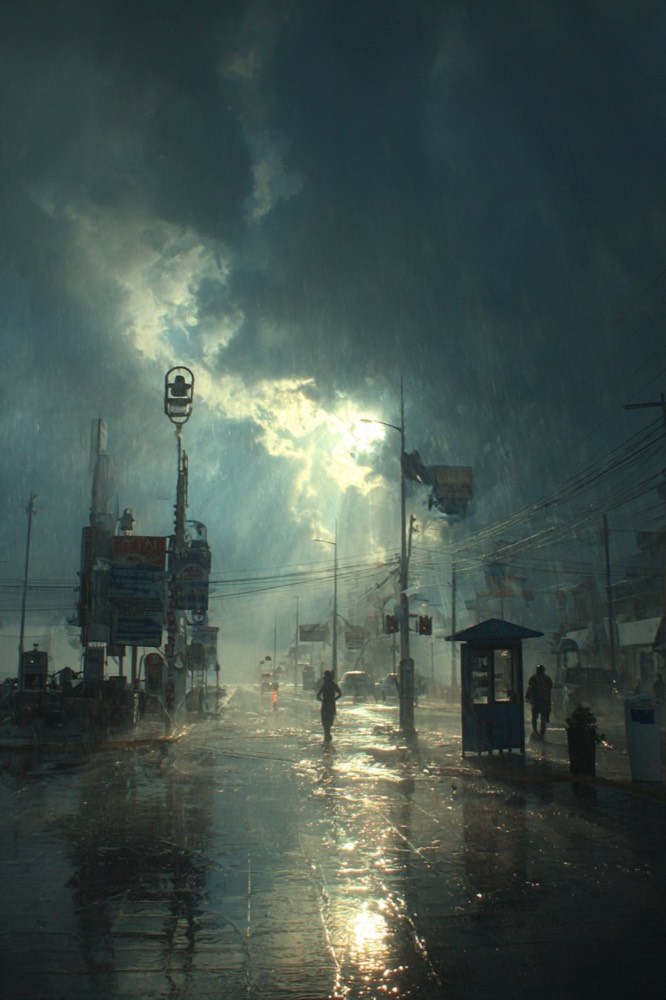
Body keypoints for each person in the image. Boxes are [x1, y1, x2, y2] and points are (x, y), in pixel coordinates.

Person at [526, 664, 552, 739]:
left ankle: (535, 731)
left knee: (534, 717)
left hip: (536, 701)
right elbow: (549, 690)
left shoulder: (533, 678)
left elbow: (529, 688)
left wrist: (528, 697)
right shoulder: (547, 679)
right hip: (544, 701)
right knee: (543, 717)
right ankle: (541, 732)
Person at [316, 669, 342, 742]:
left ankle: (327, 734)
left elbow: (318, 695)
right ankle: (327, 734)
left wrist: (323, 700)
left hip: (326, 704)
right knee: (328, 721)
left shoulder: (326, 684)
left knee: (326, 721)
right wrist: (333, 699)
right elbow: (340, 694)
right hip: (330, 704)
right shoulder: (331, 684)